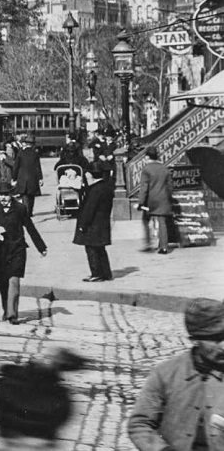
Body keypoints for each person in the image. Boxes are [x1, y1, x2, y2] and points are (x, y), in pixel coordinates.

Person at [128, 297, 224, 451]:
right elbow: (140, 423)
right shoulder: (165, 373)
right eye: (216, 339)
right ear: (195, 340)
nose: (223, 346)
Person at [0, 349, 88, 450]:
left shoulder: (10, 382)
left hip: (13, 436)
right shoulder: (59, 393)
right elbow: (64, 414)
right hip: (39, 439)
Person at [0, 183, 48, 324]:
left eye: (6, 195)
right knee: (3, 283)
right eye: (1, 195)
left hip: (17, 249)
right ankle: (7, 309)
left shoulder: (20, 208)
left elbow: (30, 227)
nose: (3, 198)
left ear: (11, 195)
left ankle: (12, 314)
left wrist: (41, 247)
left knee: (14, 281)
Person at [74, 166, 114, 282]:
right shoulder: (106, 187)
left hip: (93, 225)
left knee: (91, 249)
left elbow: (89, 209)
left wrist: (83, 225)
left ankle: (96, 273)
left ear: (91, 175)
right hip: (102, 223)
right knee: (101, 249)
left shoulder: (94, 190)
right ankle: (106, 273)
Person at [138, 146, 173, 255]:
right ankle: (163, 247)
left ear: (147, 157)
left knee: (145, 220)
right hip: (163, 198)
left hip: (150, 200)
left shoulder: (146, 169)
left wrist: (141, 202)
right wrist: (169, 198)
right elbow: (170, 186)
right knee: (162, 222)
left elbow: (144, 187)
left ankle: (148, 243)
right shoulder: (164, 168)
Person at [12, 135, 43, 217]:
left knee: (24, 196)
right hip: (33, 178)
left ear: (26, 144)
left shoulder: (20, 153)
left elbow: (16, 167)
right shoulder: (35, 154)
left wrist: (13, 178)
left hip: (22, 178)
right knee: (31, 196)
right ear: (32, 144)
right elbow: (38, 167)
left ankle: (26, 213)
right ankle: (30, 212)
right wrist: (40, 178)